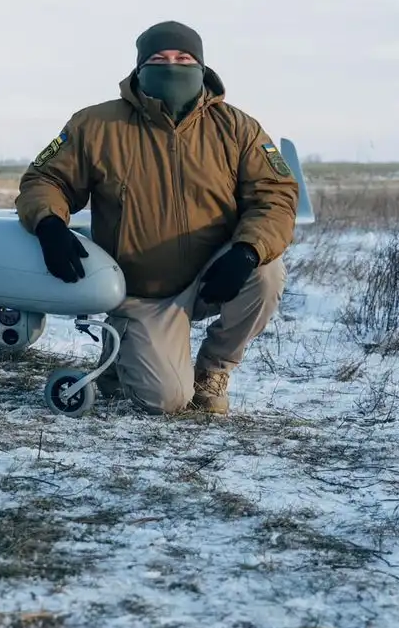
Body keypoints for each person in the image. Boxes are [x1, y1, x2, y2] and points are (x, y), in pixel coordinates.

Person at [15, 21, 298, 415]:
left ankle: (212, 371)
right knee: (165, 402)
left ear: (201, 66)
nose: (172, 66)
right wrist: (49, 225)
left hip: (212, 276)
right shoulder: (97, 125)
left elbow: (277, 195)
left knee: (267, 274)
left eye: (183, 58)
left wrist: (247, 252)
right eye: (159, 59)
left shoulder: (238, 128)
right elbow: (45, 180)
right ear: (139, 68)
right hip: (139, 292)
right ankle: (122, 350)